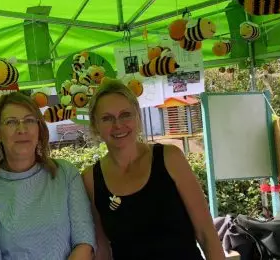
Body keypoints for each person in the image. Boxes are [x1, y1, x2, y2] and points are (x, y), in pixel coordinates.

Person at [81, 79, 224, 260]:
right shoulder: (90, 179)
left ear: (137, 117)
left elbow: (206, 234)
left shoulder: (170, 158)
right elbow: (102, 250)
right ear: (95, 125)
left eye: (125, 114)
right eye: (107, 118)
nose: (118, 125)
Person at [0, 92, 95, 260]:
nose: (22, 130)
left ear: (39, 128)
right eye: (11, 122)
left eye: (29, 120)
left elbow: (84, 241)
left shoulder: (65, 173)